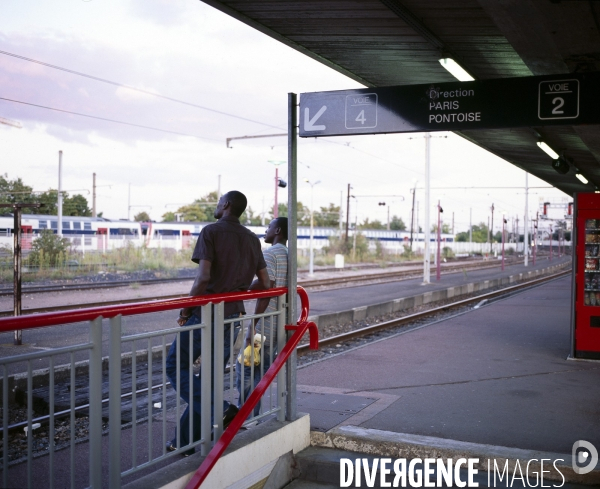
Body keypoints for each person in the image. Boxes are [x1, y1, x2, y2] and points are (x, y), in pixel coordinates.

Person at [165, 190, 269, 455]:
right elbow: (266, 284)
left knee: (175, 366)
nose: (216, 204)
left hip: (206, 314)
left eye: (219, 201)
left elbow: (202, 279)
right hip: (233, 316)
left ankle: (222, 410)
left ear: (227, 205)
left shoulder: (211, 232)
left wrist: (186, 311)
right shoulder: (252, 239)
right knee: (206, 381)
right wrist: (241, 289)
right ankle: (184, 442)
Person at [236, 217, 288, 414]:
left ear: (278, 231)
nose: (266, 231)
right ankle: (251, 417)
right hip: (280, 321)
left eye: (269, 227)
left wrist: (252, 325)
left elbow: (268, 287)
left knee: (245, 369)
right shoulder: (288, 254)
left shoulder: (271, 253)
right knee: (259, 371)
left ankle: (246, 417)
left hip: (265, 323)